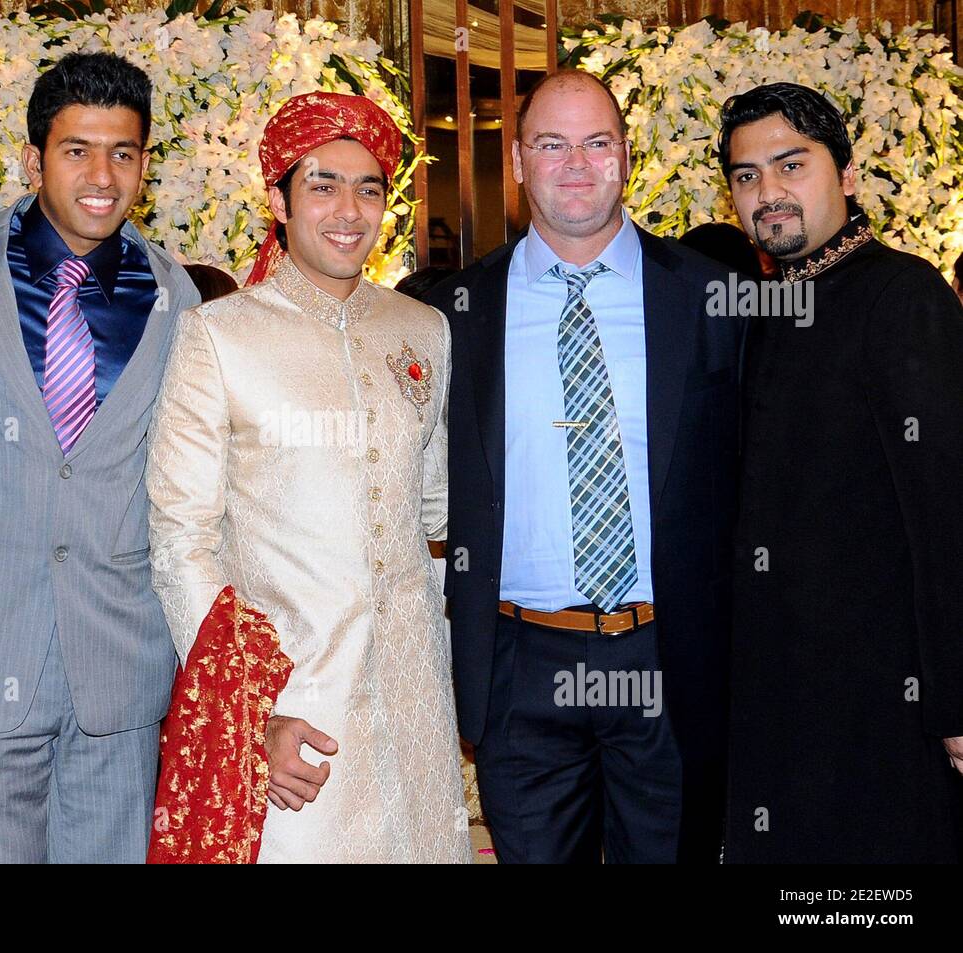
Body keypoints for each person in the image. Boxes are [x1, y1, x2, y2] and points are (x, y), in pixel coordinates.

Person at [0, 52, 199, 863]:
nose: (103, 175)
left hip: (119, 672)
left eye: (124, 153)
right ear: (33, 159)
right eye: (77, 150)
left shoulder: (180, 298)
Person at [146, 91, 470, 863]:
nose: (348, 210)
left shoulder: (420, 328)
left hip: (418, 698)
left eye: (368, 188)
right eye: (322, 184)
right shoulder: (219, 336)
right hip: (295, 704)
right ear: (279, 200)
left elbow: (435, 515)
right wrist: (250, 713)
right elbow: (179, 540)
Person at [428, 70, 742, 863]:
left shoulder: (714, 299)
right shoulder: (454, 312)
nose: (576, 163)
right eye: (552, 144)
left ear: (626, 157)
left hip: (670, 659)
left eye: (597, 142)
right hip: (520, 666)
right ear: (522, 163)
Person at [720, 82, 963, 863]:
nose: (769, 191)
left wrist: (956, 700)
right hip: (779, 693)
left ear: (848, 175)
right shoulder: (762, 310)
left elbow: (947, 510)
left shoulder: (905, 296)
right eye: (748, 175)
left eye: (791, 165)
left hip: (884, 699)